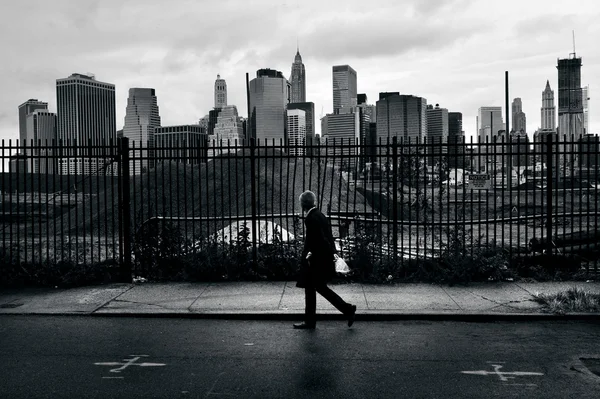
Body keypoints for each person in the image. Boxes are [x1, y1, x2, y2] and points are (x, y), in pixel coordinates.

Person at [293, 190, 357, 329]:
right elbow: (328, 238)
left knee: (317, 288)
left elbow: (318, 240)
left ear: (303, 204)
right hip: (321, 259)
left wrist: (309, 255)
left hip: (316, 261)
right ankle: (311, 321)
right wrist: (333, 253)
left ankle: (347, 309)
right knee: (313, 288)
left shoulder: (310, 219)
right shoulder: (320, 215)